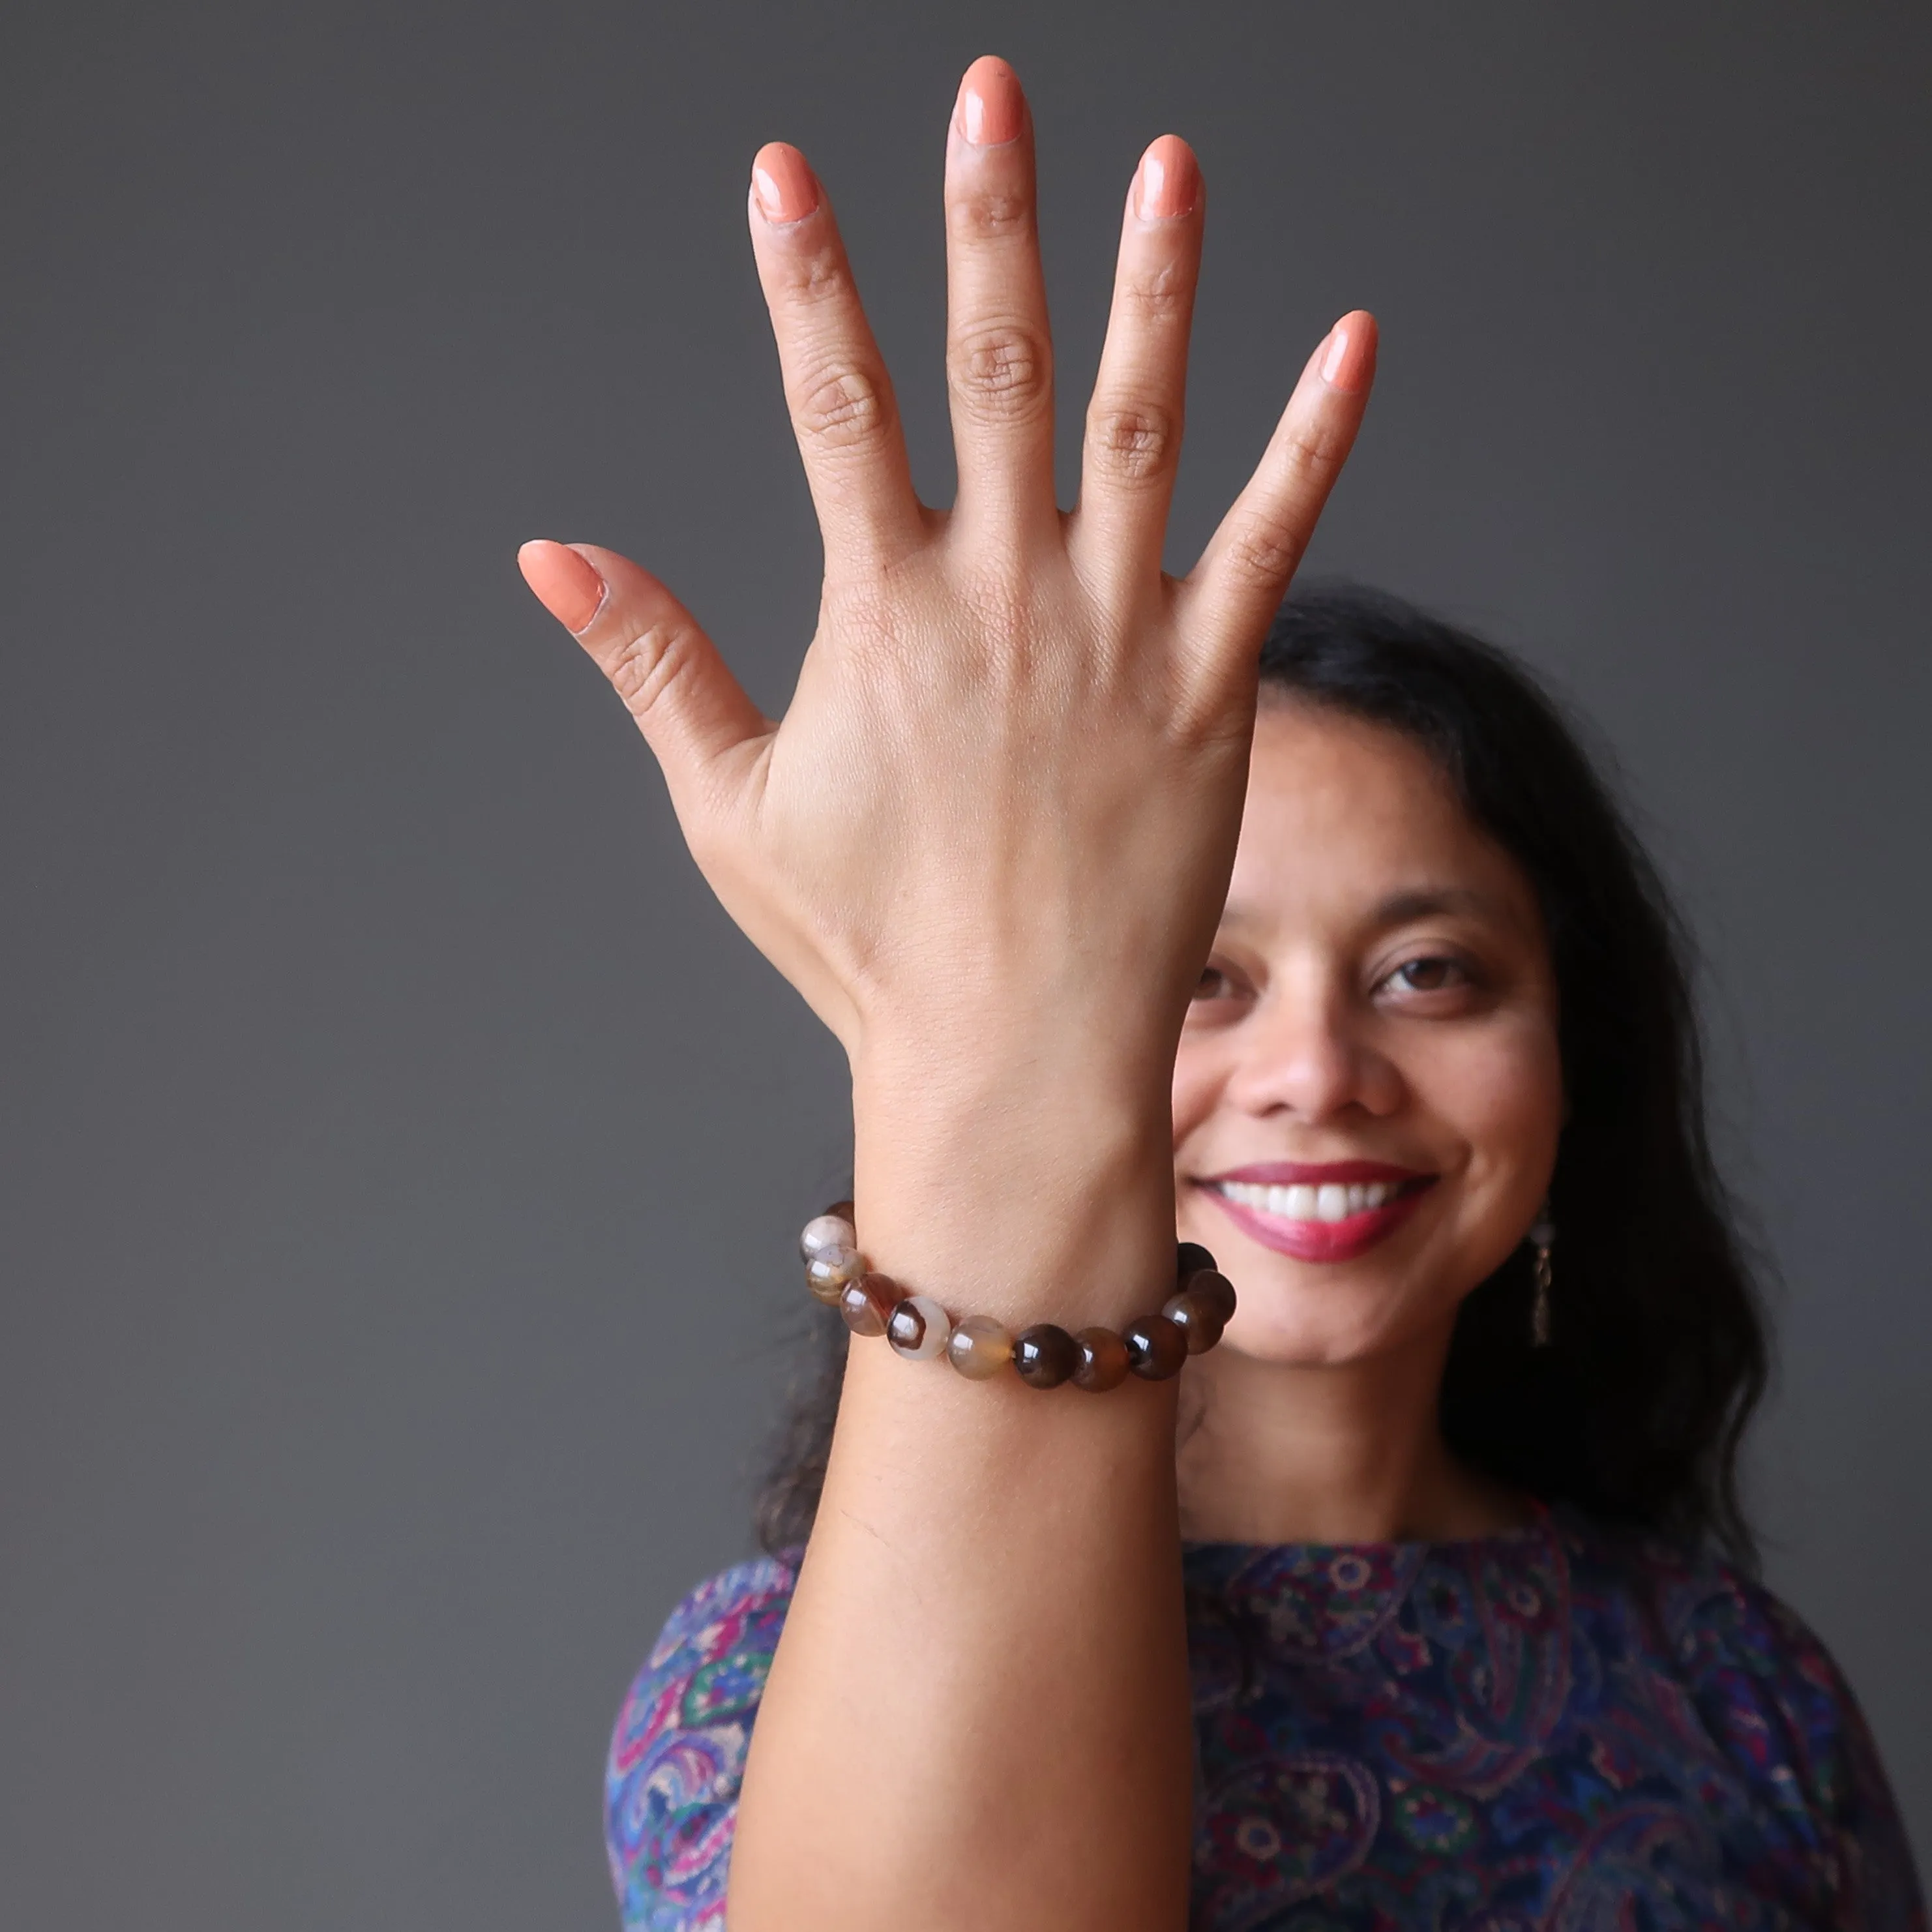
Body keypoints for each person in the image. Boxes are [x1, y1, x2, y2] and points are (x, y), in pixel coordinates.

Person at [518, 54, 1924, 1932]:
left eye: (1430, 973)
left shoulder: (1744, 1691)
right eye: (1194, 984)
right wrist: (993, 1015)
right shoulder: (759, 1691)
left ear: (1575, 1054)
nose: (1316, 1072)